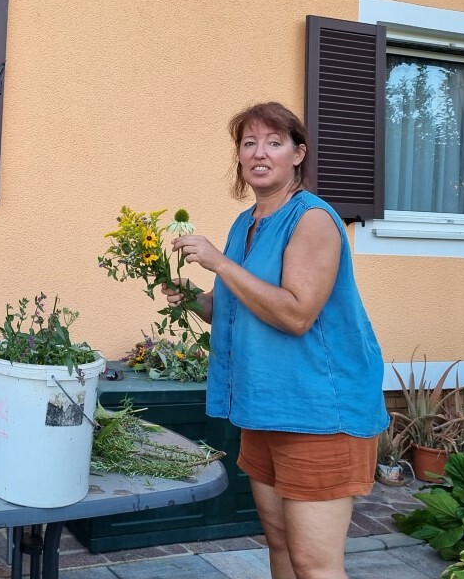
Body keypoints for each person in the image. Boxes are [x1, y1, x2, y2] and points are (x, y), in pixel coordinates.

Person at [161, 101, 388, 579]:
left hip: (319, 414)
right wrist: (190, 298)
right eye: (249, 143)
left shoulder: (313, 219)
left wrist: (219, 263)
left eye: (273, 142)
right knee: (281, 545)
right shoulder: (245, 224)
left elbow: (296, 314)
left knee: (315, 563)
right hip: (264, 408)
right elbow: (232, 308)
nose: (259, 153)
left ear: (297, 154)